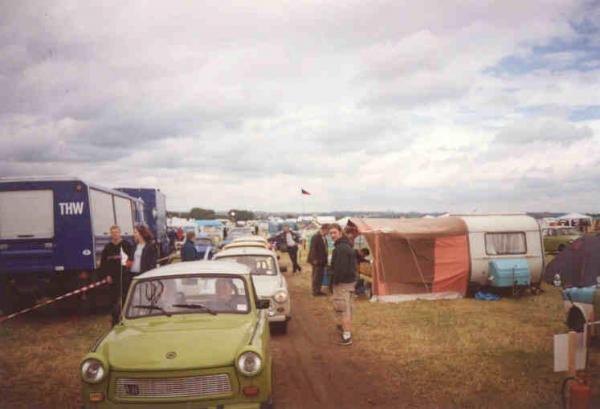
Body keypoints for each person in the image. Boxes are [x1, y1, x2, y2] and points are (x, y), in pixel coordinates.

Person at [329, 223, 358, 346]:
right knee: (347, 308)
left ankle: (347, 336)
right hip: (349, 283)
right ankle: (345, 330)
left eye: (334, 232)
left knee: (344, 309)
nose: (332, 235)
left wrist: (334, 282)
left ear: (340, 232)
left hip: (343, 284)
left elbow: (341, 269)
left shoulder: (341, 248)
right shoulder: (346, 245)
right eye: (331, 233)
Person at [99, 225, 133, 324]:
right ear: (111, 234)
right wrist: (107, 275)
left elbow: (131, 259)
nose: (115, 234)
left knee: (125, 298)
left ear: (120, 233)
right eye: (113, 233)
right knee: (113, 300)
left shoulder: (126, 245)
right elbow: (103, 263)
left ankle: (126, 318)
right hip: (112, 279)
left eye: (116, 232)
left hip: (124, 277)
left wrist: (127, 270)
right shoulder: (108, 247)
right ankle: (115, 320)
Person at [308, 224, 329, 296]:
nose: (328, 233)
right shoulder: (316, 237)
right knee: (316, 276)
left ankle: (318, 290)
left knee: (320, 275)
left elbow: (325, 249)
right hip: (317, 260)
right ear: (324, 229)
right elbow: (313, 248)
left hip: (322, 260)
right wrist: (314, 260)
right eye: (328, 231)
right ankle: (315, 291)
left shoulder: (324, 237)